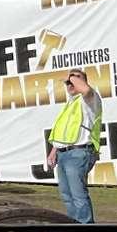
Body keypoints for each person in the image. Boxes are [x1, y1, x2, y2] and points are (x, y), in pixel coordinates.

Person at [45, 68, 102, 223]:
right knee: (67, 195)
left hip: (79, 153)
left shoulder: (89, 99)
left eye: (75, 79)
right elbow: (63, 133)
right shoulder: (70, 104)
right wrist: (53, 151)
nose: (70, 83)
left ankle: (85, 227)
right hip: (64, 154)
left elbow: (85, 89)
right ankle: (74, 226)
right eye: (68, 82)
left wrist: (73, 77)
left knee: (78, 194)